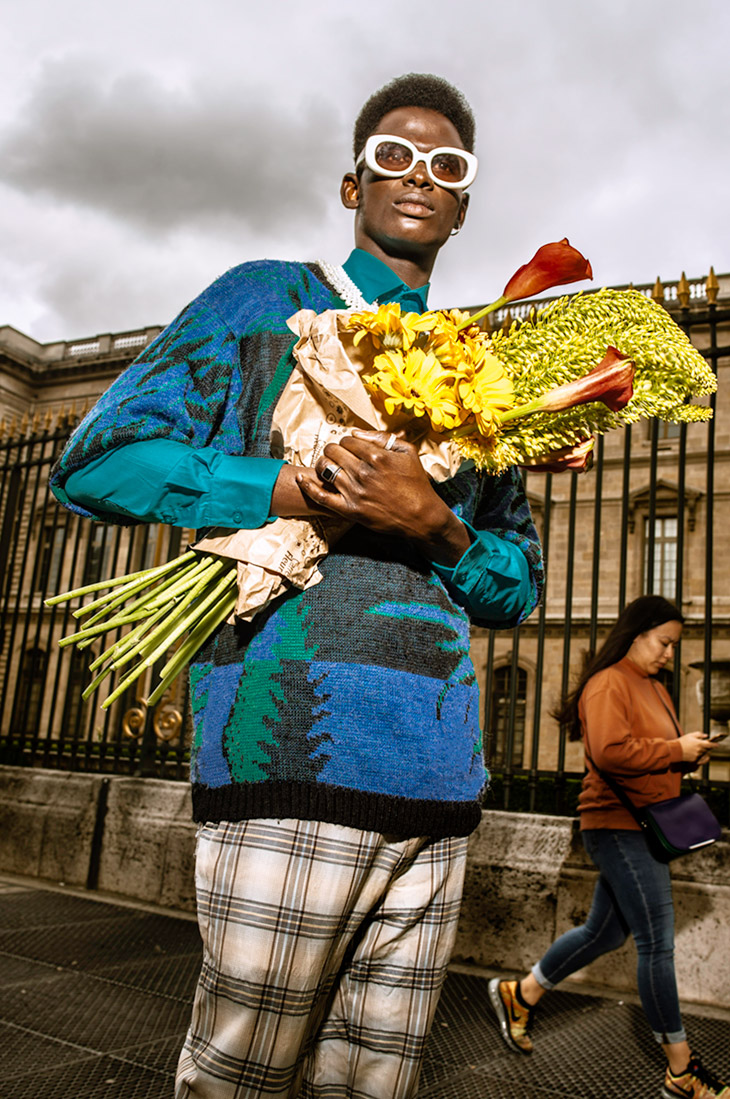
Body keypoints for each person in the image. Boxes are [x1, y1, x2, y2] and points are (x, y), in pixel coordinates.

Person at [51, 73, 543, 1098]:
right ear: (352, 184)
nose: (418, 174)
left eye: (446, 164)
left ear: (463, 203)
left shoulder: (483, 373)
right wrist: (283, 486)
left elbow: (515, 588)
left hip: (438, 781)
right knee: (236, 1077)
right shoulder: (266, 298)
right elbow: (97, 461)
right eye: (393, 156)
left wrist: (437, 525)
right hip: (285, 751)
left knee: (375, 1084)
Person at [488, 595, 728, 1099]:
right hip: (617, 826)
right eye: (663, 643)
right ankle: (681, 1071)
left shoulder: (655, 688)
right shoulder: (607, 683)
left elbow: (648, 752)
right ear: (636, 634)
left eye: (674, 645)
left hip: (646, 824)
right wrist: (674, 749)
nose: (669, 654)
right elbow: (609, 751)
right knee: (657, 944)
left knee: (603, 933)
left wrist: (687, 754)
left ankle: (520, 993)